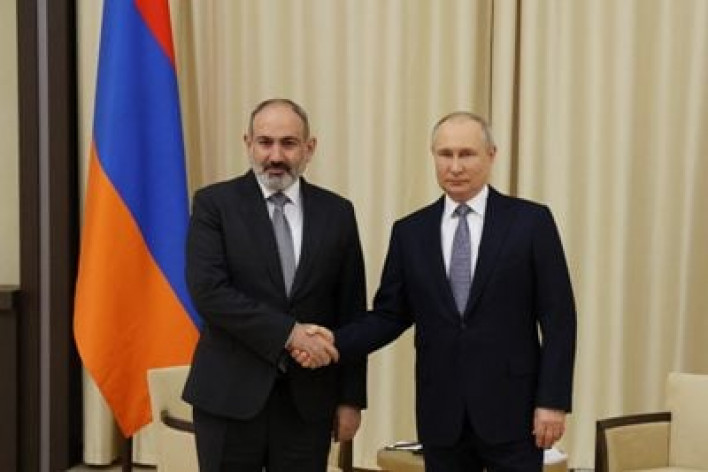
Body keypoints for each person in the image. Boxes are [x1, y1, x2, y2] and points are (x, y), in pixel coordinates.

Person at [299, 112, 577, 471]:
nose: (455, 166)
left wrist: (552, 401)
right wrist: (333, 341)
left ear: (491, 155)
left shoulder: (531, 222)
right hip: (442, 415)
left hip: (514, 412)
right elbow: (389, 315)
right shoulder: (410, 232)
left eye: (467, 154)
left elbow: (559, 318)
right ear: (433, 156)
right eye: (445, 154)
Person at [183, 98, 367, 472]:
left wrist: (351, 399)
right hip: (230, 399)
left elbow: (351, 309)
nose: (276, 156)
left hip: (308, 404)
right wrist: (290, 334)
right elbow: (209, 293)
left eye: (289, 143)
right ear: (248, 143)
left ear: (309, 148)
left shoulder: (338, 212)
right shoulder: (214, 204)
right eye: (265, 142)